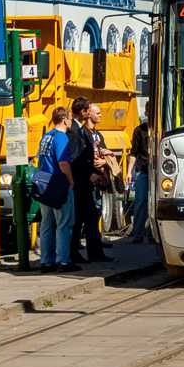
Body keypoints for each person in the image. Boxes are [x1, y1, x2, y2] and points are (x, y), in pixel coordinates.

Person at [36, 107, 79, 273]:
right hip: (58, 184)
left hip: (44, 184)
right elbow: (63, 162)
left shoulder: (46, 136)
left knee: (46, 225)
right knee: (64, 224)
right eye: (69, 119)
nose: (71, 122)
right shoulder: (61, 137)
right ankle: (64, 261)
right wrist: (71, 180)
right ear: (64, 119)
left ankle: (46, 262)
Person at [70, 99, 112, 263]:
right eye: (91, 110)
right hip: (80, 182)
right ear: (83, 112)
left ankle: (95, 253)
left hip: (85, 182)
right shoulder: (74, 131)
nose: (99, 114)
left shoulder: (79, 129)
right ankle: (75, 254)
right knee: (80, 219)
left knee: (90, 217)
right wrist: (88, 175)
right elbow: (75, 159)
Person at [127, 101, 154, 244]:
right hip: (143, 171)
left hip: (157, 172)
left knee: (154, 203)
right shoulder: (139, 130)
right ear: (146, 113)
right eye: (150, 112)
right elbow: (133, 153)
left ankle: (152, 233)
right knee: (141, 200)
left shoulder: (161, 128)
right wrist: (129, 171)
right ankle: (138, 233)